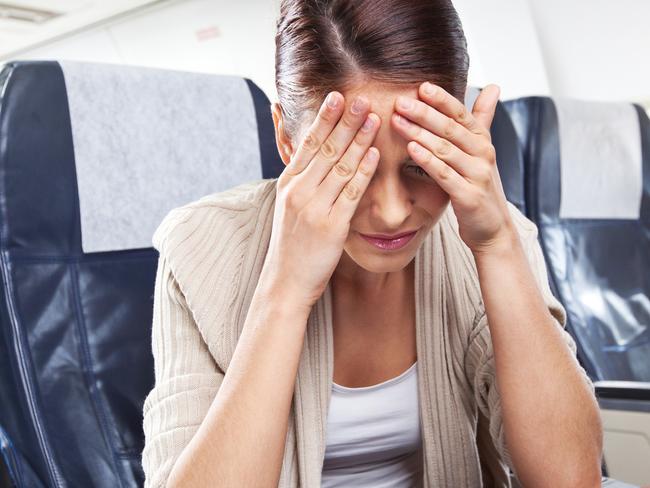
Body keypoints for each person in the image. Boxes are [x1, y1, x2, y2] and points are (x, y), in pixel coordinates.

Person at [141, 0, 604, 487]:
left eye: (419, 166)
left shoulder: (491, 235)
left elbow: (570, 479)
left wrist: (497, 247)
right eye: (351, 166)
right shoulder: (197, 249)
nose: (391, 212)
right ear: (285, 139)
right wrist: (285, 291)